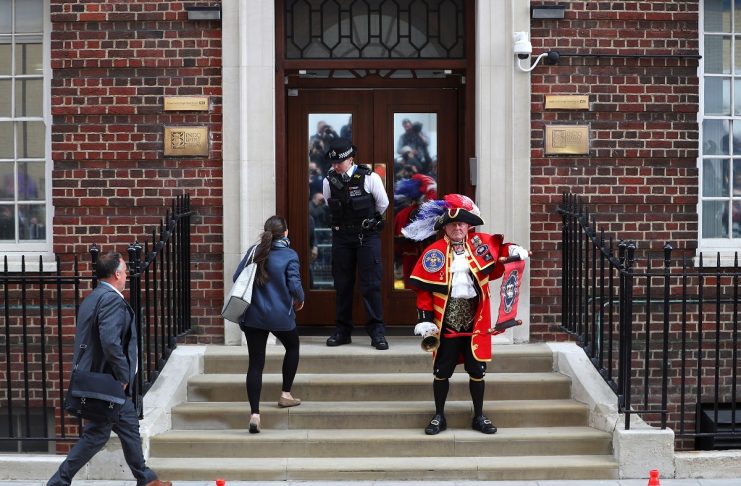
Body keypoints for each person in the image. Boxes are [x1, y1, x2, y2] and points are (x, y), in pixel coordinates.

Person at [402, 194, 529, 436]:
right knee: (442, 370)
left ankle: (479, 416)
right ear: (445, 228)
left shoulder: (480, 243)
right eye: (452, 224)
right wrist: (425, 319)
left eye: (462, 224)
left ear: (468, 226)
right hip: (446, 322)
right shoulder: (434, 252)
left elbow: (499, 248)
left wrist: (513, 249)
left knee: (477, 369)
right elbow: (425, 291)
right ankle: (439, 416)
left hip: (476, 320)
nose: (458, 228)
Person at [47, 252, 171, 486]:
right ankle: (59, 482)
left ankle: (146, 478)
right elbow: (110, 340)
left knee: (123, 425)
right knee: (99, 434)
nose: (126, 276)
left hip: (100, 380)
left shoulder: (93, 297)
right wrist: (124, 375)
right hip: (108, 381)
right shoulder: (112, 299)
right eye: (124, 271)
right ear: (116, 274)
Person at [233, 215, 304, 433]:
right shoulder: (289, 255)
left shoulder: (254, 252)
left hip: (253, 316)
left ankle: (255, 414)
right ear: (285, 233)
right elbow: (295, 284)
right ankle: (285, 394)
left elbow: (237, 277)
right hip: (280, 316)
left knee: (256, 363)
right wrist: (300, 300)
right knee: (292, 346)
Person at [322, 138, 390, 350]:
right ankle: (342, 331)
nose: (335, 166)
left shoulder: (370, 178)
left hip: (366, 237)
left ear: (350, 159)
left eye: (339, 162)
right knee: (342, 285)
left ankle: (377, 332)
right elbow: (328, 203)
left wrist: (367, 223)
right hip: (342, 238)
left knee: (371, 285)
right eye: (333, 163)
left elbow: (383, 204)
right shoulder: (328, 180)